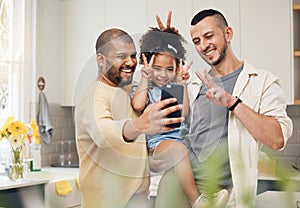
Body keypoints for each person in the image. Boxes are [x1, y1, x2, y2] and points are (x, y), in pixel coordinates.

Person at [154, 9, 293, 208]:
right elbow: (169, 119)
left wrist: (232, 103)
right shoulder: (193, 80)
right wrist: (168, 46)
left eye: (209, 36)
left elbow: (277, 139)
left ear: (228, 34)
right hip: (178, 184)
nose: (203, 46)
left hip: (224, 194)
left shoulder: (262, 82)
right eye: (197, 41)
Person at [74, 28, 185, 208]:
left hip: (139, 200)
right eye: (121, 56)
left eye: (133, 56)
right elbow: (105, 135)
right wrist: (141, 124)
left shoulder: (134, 89)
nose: (130, 62)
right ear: (101, 60)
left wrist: (166, 42)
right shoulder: (93, 96)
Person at [130, 26, 228, 208]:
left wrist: (182, 84)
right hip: (158, 143)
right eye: (157, 68)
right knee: (179, 151)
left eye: (169, 69)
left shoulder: (172, 89)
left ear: (176, 68)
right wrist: (144, 77)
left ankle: (203, 195)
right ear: (149, 66)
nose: (163, 74)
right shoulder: (146, 89)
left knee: (187, 154)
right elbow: (137, 105)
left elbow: (183, 113)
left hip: (181, 143)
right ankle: (197, 201)